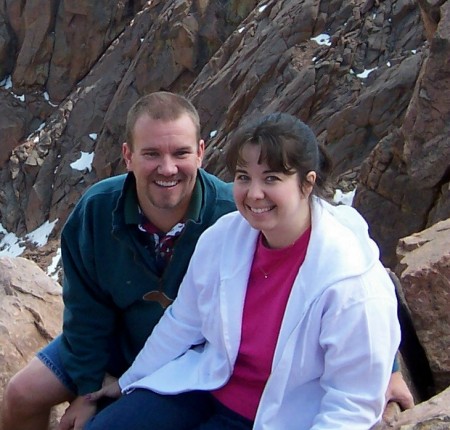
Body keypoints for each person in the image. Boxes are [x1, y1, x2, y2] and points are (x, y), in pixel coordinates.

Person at [1, 94, 413, 430]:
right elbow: (103, 315)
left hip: (251, 394)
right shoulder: (218, 231)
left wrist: (388, 369)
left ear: (200, 153)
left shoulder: (238, 219)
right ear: (127, 156)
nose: (254, 194)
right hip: (150, 355)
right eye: (245, 178)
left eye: (272, 179)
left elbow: (359, 342)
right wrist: (101, 387)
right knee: (29, 399)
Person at [1, 91, 236, 430]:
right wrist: (88, 387)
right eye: (152, 154)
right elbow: (85, 310)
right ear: (128, 156)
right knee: (21, 394)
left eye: (180, 153)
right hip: (115, 342)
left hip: (185, 363)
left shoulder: (231, 215)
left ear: (200, 152)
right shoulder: (98, 209)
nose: (167, 168)